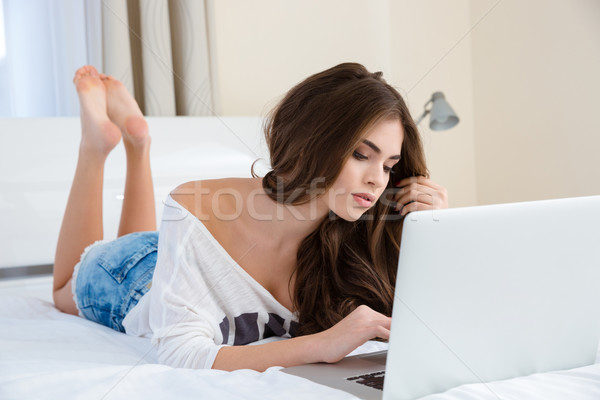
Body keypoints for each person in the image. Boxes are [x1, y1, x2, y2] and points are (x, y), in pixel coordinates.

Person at [52, 63, 448, 372]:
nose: (377, 180)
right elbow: (178, 353)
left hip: (180, 266)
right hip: (133, 278)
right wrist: (322, 344)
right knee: (63, 290)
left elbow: (424, 324)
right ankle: (98, 144)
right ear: (313, 142)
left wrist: (433, 234)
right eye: (362, 155)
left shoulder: (355, 232)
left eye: (389, 165)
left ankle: (138, 143)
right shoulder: (197, 204)